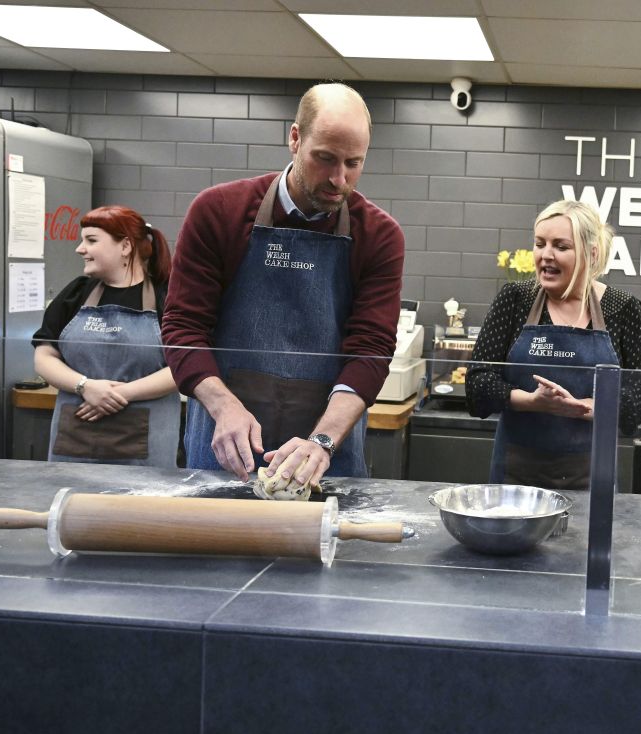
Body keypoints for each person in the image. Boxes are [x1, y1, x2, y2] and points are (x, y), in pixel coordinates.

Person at [162, 82, 404, 485]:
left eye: (353, 163)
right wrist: (223, 408)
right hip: (227, 444)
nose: (339, 180)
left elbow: (371, 350)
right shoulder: (218, 211)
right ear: (294, 138)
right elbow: (182, 328)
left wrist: (323, 441)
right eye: (324, 159)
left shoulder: (378, 235)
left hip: (324, 451)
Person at [466, 200, 641, 489]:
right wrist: (531, 401)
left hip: (592, 475)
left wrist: (589, 407)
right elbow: (477, 383)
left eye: (561, 246)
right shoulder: (516, 300)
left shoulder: (624, 309)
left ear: (591, 254)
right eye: (539, 244)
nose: (546, 255)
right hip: (516, 475)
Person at [32, 206, 179, 468]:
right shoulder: (76, 293)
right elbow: (44, 355)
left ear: (125, 246)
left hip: (145, 448)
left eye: (91, 240)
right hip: (75, 440)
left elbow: (183, 365)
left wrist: (118, 394)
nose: (80, 248)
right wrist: (86, 386)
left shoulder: (166, 299)